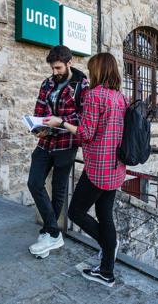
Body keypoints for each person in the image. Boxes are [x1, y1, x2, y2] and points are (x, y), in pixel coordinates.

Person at [44, 52, 127, 287]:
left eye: (91, 69)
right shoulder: (120, 97)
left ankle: (108, 249)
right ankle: (107, 270)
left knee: (75, 213)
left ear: (97, 70)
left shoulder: (94, 96)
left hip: (98, 167)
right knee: (105, 216)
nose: (89, 73)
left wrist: (60, 122)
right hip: (116, 166)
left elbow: (85, 134)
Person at [27, 45, 89, 257]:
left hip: (66, 144)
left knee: (58, 188)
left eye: (58, 68)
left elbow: (84, 118)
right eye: (52, 68)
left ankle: (48, 233)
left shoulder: (82, 84)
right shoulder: (47, 83)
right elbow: (39, 109)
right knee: (34, 183)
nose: (54, 72)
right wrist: (39, 127)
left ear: (69, 62)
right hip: (45, 143)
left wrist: (60, 122)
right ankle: (54, 233)